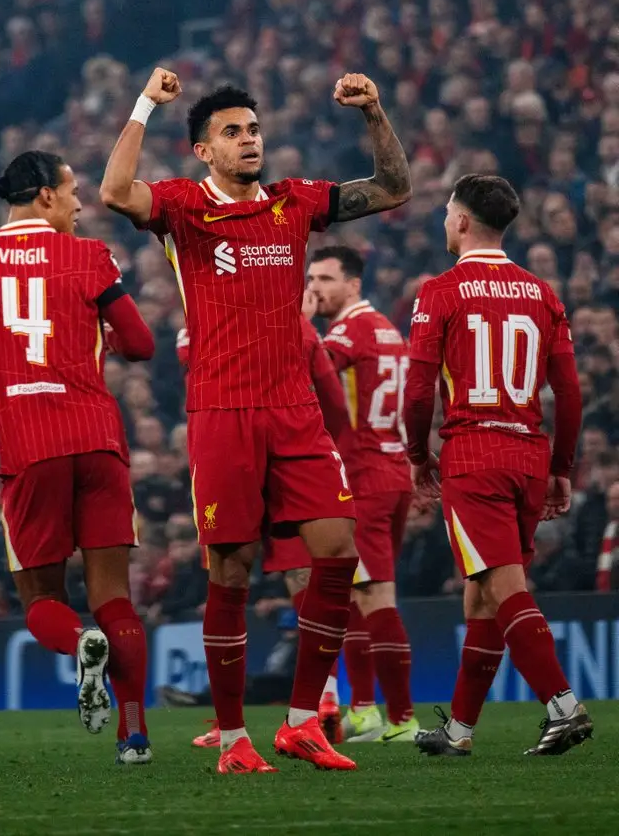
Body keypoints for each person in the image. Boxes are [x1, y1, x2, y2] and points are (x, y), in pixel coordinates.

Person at [100, 67, 411, 773]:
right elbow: (115, 192)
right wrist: (147, 103)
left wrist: (375, 111)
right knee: (233, 573)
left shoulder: (294, 203)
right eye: (232, 133)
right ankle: (235, 737)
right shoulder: (182, 207)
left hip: (295, 413)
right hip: (223, 411)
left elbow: (394, 188)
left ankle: (303, 721)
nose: (249, 141)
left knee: (337, 552)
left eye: (253, 130)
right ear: (203, 151)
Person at [0, 150, 156, 765]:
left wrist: (3, 379)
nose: (82, 204)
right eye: (74, 191)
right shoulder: (89, 257)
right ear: (46, 196)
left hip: (29, 449)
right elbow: (140, 343)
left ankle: (80, 642)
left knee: (41, 600)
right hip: (97, 440)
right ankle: (133, 737)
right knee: (115, 597)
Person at [404, 174, 592, 756]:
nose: (443, 221)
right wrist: (562, 467)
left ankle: (563, 704)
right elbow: (570, 392)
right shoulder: (543, 293)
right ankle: (460, 731)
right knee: (480, 594)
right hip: (529, 454)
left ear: (461, 222)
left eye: (445, 212)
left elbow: (416, 392)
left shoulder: (440, 291)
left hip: (475, 454)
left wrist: (416, 455)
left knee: (503, 585)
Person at [177, 292, 352, 749]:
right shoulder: (299, 327)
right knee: (304, 576)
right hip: (286, 448)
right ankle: (322, 702)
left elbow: (184, 356)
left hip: (235, 439)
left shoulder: (210, 314)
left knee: (235, 572)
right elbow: (335, 406)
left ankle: (242, 722)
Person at [308, 245, 418, 744]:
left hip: (367, 478)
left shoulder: (348, 330)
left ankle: (402, 718)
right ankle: (367, 710)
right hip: (391, 472)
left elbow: (311, 371)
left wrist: (300, 325)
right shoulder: (389, 330)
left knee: (375, 596)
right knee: (355, 594)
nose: (315, 288)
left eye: (326, 279)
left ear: (353, 284)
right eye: (311, 278)